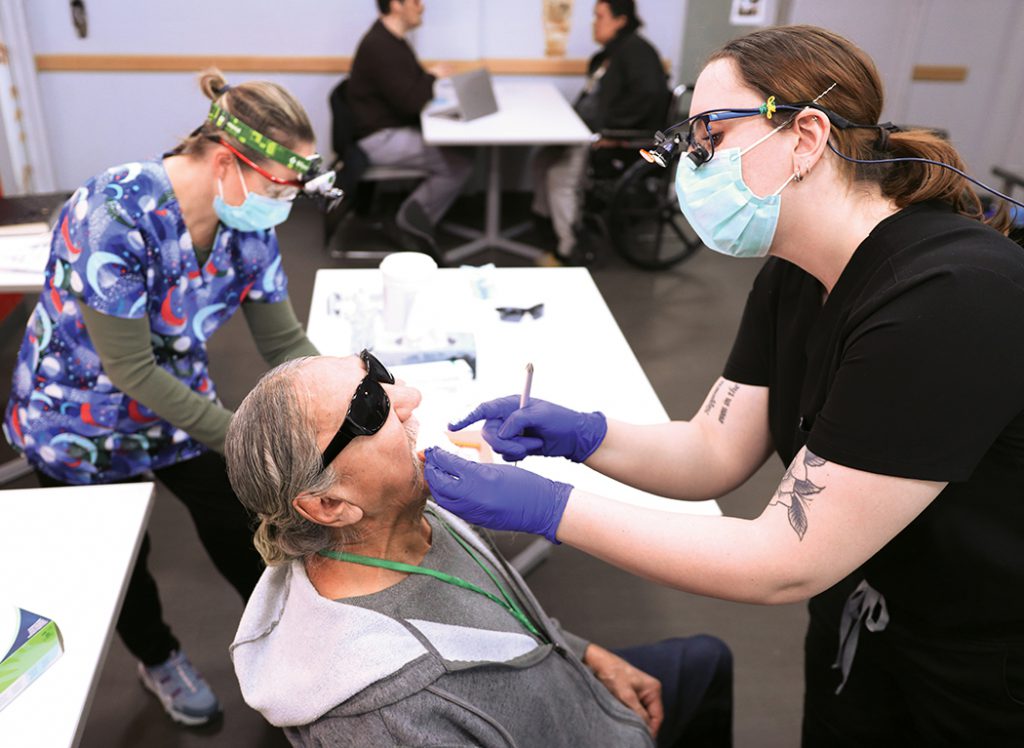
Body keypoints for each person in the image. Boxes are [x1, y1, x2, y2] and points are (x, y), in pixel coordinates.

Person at [424, 24, 1024, 747]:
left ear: (805, 136)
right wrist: (583, 435)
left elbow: (784, 558)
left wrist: (550, 508)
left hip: (983, 653)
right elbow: (712, 450)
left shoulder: (950, 297)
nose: (693, 163)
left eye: (709, 133)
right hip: (864, 614)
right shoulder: (795, 274)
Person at [2, 69, 327, 726]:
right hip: (77, 420)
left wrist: (355, 395)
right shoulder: (114, 212)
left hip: (176, 404)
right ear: (226, 161)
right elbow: (129, 369)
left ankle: (284, 647)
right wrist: (248, 438)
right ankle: (159, 658)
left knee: (242, 522)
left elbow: (284, 341)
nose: (284, 204)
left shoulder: (246, 226)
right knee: (121, 561)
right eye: (278, 187)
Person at [224, 353, 733, 747]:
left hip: (578, 689)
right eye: (369, 409)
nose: (410, 396)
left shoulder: (419, 515)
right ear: (330, 504)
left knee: (710, 659)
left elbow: (498, 620)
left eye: (377, 372)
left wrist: (585, 654)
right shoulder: (385, 716)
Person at [532, 0, 667, 263]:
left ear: (620, 20)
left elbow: (648, 97)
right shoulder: (611, 54)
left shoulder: (636, 51)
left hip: (620, 140)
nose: (595, 23)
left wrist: (612, 135)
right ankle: (544, 226)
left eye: (600, 17)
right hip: (589, 131)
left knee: (560, 173)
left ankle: (566, 249)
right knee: (543, 158)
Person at [347, 0, 475, 257]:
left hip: (389, 129)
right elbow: (411, 103)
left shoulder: (393, 40)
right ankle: (406, 223)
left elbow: (409, 90)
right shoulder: (380, 46)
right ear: (396, 5)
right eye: (416, 1)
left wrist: (429, 77)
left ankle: (414, 217)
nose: (422, 6)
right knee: (459, 164)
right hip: (379, 139)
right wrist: (433, 76)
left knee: (464, 152)